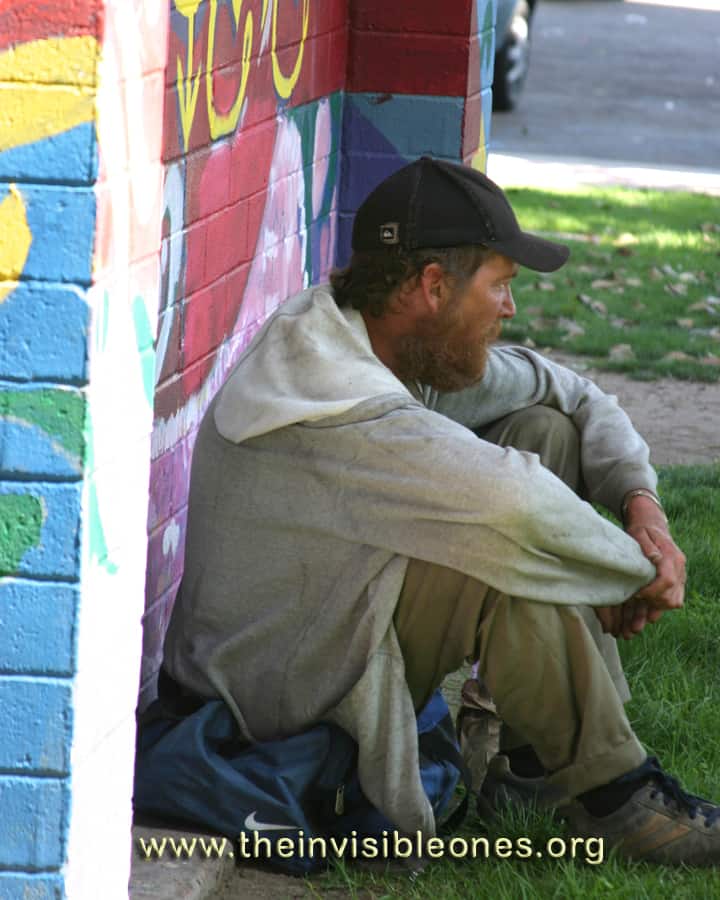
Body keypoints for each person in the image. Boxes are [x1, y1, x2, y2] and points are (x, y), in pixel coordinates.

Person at [160, 156, 720, 865]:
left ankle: (535, 772)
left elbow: (571, 392)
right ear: (432, 286)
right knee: (503, 567)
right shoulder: (337, 402)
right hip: (264, 696)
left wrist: (644, 511)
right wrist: (629, 574)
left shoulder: (376, 337)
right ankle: (621, 798)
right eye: (501, 286)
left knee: (544, 429)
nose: (510, 309)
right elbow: (517, 507)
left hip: (333, 623)